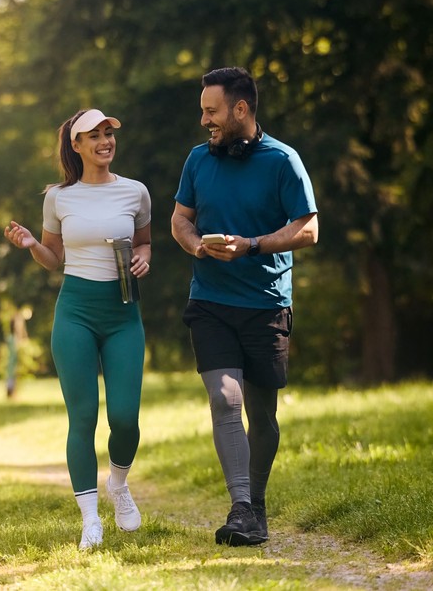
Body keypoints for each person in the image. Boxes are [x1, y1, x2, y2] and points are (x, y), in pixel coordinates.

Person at [171, 67, 318, 547]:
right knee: (224, 399)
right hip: (210, 301)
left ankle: (256, 504)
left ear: (240, 109)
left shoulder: (282, 160)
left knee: (262, 415)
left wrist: (253, 245)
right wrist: (197, 247)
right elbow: (179, 220)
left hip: (265, 304)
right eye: (201, 112)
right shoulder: (198, 160)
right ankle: (240, 508)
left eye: (211, 112)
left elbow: (308, 229)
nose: (204, 121)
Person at [4, 108, 152, 550]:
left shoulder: (136, 192)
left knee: (125, 416)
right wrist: (33, 245)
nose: (105, 141)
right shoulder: (59, 198)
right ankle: (90, 520)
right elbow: (55, 257)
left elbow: (144, 242)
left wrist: (146, 257)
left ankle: (119, 485)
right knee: (83, 416)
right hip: (76, 313)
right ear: (77, 144)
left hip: (123, 314)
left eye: (109, 133)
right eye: (95, 135)